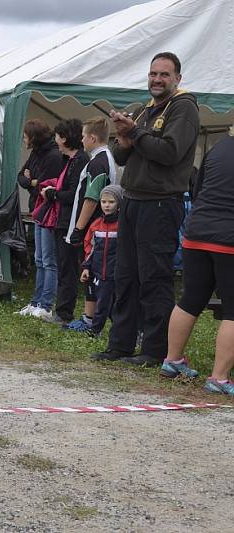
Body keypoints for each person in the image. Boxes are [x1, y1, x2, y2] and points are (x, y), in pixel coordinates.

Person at [91, 52, 199, 366]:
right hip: (133, 200)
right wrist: (125, 137)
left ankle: (154, 351)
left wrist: (135, 133)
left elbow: (169, 152)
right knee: (125, 277)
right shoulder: (144, 109)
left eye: (164, 74)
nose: (156, 80)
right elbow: (119, 156)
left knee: (154, 279)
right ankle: (121, 345)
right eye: (153, 74)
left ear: (177, 78)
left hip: (161, 203)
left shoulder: (184, 107)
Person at [159, 128, 234, 395]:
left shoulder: (218, 149)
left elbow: (199, 188)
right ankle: (220, 378)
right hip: (229, 240)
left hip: (197, 233)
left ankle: (172, 360)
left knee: (190, 299)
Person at [64, 117, 117, 331]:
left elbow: (92, 197)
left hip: (93, 228)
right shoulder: (103, 158)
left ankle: (91, 320)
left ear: (92, 138)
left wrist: (78, 228)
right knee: (91, 273)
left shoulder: (98, 162)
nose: (82, 140)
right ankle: (90, 317)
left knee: (90, 272)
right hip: (96, 227)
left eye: (84, 136)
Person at [15, 119, 64, 317]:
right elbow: (22, 176)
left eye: (26, 136)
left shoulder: (53, 155)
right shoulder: (36, 153)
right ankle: (36, 302)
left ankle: (45, 304)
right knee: (38, 259)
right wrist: (30, 180)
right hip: (37, 209)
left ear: (34, 137)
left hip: (49, 211)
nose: (24, 139)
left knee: (48, 260)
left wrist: (32, 180)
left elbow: (44, 185)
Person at [42, 119, 89, 324]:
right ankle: (62, 310)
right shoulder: (68, 160)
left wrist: (53, 194)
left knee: (68, 267)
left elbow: (73, 195)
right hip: (63, 219)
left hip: (71, 221)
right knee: (64, 266)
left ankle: (64, 313)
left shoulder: (79, 161)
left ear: (64, 137)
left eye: (57, 136)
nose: (55, 140)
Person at [78, 184, 122, 337]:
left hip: (117, 273)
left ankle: (123, 332)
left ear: (119, 204)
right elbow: (89, 248)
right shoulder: (96, 225)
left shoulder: (123, 225)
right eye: (104, 202)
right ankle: (96, 330)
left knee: (118, 305)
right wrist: (86, 267)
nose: (107, 205)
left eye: (111, 202)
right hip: (100, 274)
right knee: (102, 304)